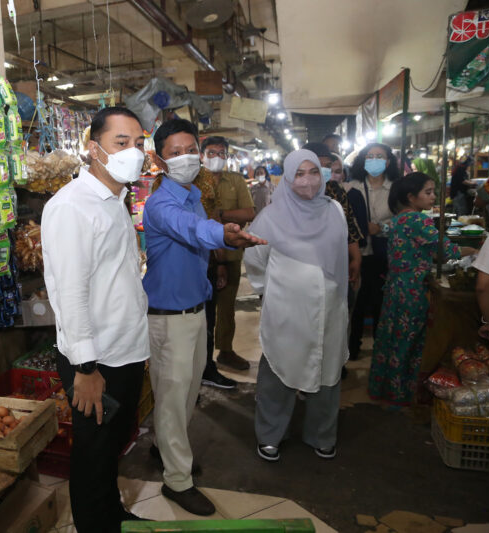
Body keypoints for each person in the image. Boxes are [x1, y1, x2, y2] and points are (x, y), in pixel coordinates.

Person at [142, 119, 264, 516]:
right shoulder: (162, 203)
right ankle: (177, 481)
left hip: (194, 311)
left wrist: (213, 275)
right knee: (174, 398)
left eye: (189, 149)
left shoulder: (193, 193)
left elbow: (197, 234)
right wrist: (224, 235)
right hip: (168, 318)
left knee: (185, 394)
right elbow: (191, 230)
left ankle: (164, 447)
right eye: (174, 153)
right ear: (160, 160)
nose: (185, 158)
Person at [42, 107, 151, 533]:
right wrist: (85, 369)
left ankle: (113, 516)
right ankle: (96, 525)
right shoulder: (72, 206)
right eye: (120, 143)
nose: (133, 152)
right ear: (94, 149)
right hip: (96, 359)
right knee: (91, 457)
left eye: (138, 143)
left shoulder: (115, 200)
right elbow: (70, 294)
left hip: (122, 350)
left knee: (109, 451)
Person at [244, 149, 349, 462]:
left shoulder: (334, 210)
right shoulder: (269, 217)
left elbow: (339, 256)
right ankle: (270, 434)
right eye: (299, 174)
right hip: (286, 310)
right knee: (279, 369)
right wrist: (277, 291)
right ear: (288, 178)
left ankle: (322, 434)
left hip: (330, 309)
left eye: (313, 172)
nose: (307, 181)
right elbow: (255, 262)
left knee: (327, 372)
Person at [370, 173, 473, 406]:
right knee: (411, 342)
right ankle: (404, 395)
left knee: (393, 339)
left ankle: (386, 389)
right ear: (411, 196)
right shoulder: (419, 221)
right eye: (428, 192)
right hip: (414, 291)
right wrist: (476, 251)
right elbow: (447, 251)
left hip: (395, 288)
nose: (433, 196)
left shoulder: (398, 220)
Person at [195, 136, 255, 384]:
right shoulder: (193, 181)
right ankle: (201, 360)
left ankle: (225, 351)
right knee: (202, 312)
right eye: (211, 152)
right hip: (199, 258)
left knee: (227, 307)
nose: (216, 157)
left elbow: (249, 212)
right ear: (202, 155)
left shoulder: (236, 181)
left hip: (229, 255)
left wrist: (218, 214)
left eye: (221, 153)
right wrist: (225, 220)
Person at [347, 143, 401, 360]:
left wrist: (382, 227)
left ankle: (382, 351)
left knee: (382, 303)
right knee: (356, 304)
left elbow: (407, 221)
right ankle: (352, 348)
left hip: (386, 255)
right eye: (370, 156)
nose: (375, 160)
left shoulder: (398, 188)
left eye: (380, 156)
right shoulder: (352, 187)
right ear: (363, 160)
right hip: (357, 255)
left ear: (388, 161)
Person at [302, 142, 362, 288]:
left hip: (335, 260)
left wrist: (356, 257)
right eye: (318, 165)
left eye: (327, 166)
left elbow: (348, 224)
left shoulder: (335, 189)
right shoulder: (294, 191)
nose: (324, 170)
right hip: (303, 264)